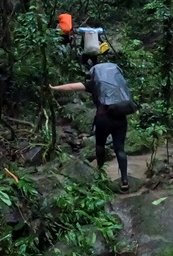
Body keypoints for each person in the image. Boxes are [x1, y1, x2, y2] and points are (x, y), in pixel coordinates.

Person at [50, 60, 130, 193]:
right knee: (120, 149)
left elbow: (71, 87)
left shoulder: (94, 84)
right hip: (120, 118)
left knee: (100, 145)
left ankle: (100, 173)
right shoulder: (119, 85)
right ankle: (125, 180)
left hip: (103, 118)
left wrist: (54, 88)